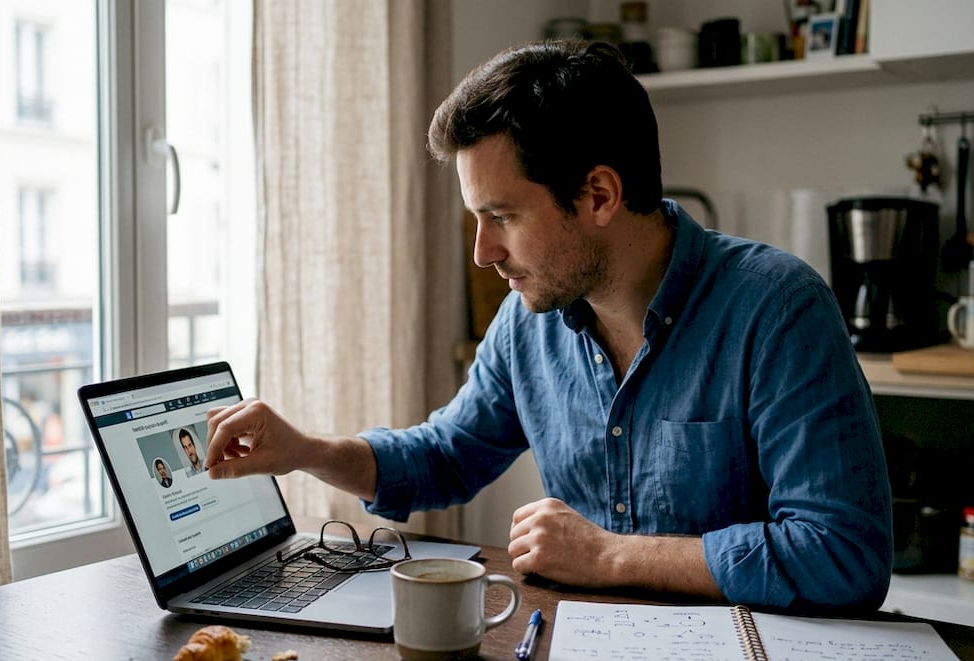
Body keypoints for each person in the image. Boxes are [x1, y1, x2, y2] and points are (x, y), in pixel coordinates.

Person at [204, 40, 892, 613]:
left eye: (501, 217)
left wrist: (608, 555)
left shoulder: (777, 307)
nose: (483, 253)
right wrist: (306, 450)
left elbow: (844, 554)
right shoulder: (526, 325)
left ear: (598, 196)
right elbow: (446, 454)